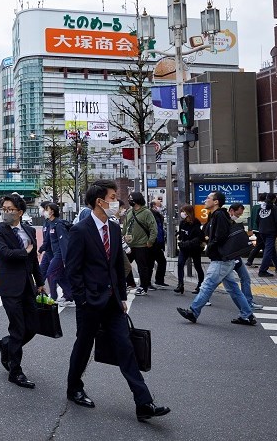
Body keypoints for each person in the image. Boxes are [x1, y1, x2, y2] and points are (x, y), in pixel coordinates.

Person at [65, 180, 170, 422]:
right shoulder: (80, 230)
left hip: (112, 301)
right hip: (90, 301)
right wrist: (82, 299)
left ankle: (144, 402)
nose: (117, 202)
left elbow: (116, 266)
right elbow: (73, 269)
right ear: (100, 201)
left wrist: (122, 296)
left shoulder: (113, 228)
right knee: (83, 346)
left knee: (126, 347)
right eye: (113, 197)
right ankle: (74, 387)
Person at [0, 194, 46, 389]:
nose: (6, 212)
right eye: (3, 208)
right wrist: (26, 251)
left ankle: (6, 344)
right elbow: (4, 254)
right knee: (18, 328)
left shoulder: (29, 230)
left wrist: (40, 282)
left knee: (33, 326)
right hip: (10, 287)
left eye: (10, 209)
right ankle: (16, 371)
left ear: (20, 212)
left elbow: (34, 261)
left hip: (27, 286)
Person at [176, 191, 257, 326]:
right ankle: (247, 315)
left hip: (220, 259)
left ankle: (193, 312)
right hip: (223, 259)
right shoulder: (214, 215)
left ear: (216, 202)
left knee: (207, 285)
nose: (205, 200)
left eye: (208, 198)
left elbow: (220, 236)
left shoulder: (219, 215)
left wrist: (210, 247)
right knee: (233, 289)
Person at [228, 203, 263, 312]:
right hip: (227, 257)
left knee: (245, 278)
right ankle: (199, 303)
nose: (238, 216)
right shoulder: (223, 222)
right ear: (231, 211)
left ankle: (248, 302)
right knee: (213, 282)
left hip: (234, 255)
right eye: (238, 214)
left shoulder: (233, 222)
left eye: (240, 215)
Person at [124, 192, 157, 296]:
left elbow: (153, 228)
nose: (129, 200)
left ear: (137, 199)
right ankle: (130, 283)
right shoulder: (129, 211)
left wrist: (150, 241)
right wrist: (123, 236)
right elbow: (125, 226)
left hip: (142, 244)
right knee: (124, 264)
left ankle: (143, 287)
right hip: (129, 244)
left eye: (131, 198)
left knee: (142, 267)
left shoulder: (146, 212)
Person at [43, 202, 73, 306]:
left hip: (60, 254)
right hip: (55, 254)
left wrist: (65, 260)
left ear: (52, 212)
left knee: (51, 273)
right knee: (60, 276)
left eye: (46, 209)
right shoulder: (50, 223)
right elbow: (48, 241)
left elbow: (64, 243)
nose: (44, 211)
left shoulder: (59, 225)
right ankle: (69, 296)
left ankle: (54, 297)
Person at [175, 205, 205, 295]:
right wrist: (179, 237)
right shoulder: (182, 223)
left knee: (198, 266)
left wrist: (187, 243)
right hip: (184, 248)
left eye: (184, 211)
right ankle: (180, 285)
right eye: (182, 211)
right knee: (180, 264)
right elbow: (181, 234)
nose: (182, 213)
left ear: (188, 213)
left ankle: (200, 285)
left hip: (194, 248)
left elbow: (199, 237)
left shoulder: (196, 223)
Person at [257, 193, 277, 277]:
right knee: (268, 250)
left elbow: (257, 220)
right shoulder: (275, 208)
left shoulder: (260, 208)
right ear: (274, 199)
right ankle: (262, 270)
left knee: (271, 249)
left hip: (262, 231)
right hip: (271, 231)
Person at [149, 199, 169, 288]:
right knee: (150, 263)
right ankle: (149, 282)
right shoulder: (150, 215)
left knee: (161, 261)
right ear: (154, 205)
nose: (160, 207)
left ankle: (159, 281)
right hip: (153, 243)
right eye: (159, 205)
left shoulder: (159, 215)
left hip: (158, 243)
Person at [246, 193, 266, 266]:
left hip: (255, 228)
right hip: (262, 228)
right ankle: (250, 260)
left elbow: (251, 217)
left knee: (262, 245)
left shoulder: (254, 206)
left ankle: (266, 261)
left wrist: (250, 227)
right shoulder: (263, 207)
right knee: (260, 245)